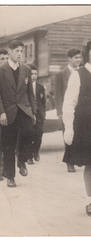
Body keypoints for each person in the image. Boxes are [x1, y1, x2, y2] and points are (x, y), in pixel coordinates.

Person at [62, 37, 91, 217]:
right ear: (86, 54)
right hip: (86, 122)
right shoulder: (78, 74)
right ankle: (90, 201)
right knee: (90, 163)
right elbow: (69, 102)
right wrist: (69, 127)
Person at [0, 40, 37, 188]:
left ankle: (22, 161)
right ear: (9, 52)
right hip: (8, 112)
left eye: (21, 51)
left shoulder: (26, 69)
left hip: (24, 109)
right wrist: (1, 112)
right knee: (8, 144)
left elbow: (30, 93)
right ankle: (10, 177)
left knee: (29, 133)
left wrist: (33, 112)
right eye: (17, 51)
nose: (20, 54)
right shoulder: (1, 70)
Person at [55, 48, 81, 172]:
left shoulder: (83, 72)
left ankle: (78, 159)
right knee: (68, 135)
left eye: (80, 57)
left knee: (80, 134)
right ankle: (69, 162)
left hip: (80, 109)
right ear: (69, 59)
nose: (78, 60)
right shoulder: (61, 74)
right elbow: (58, 95)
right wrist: (60, 112)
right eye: (76, 57)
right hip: (67, 109)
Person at [26, 64, 46, 164]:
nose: (33, 76)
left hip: (39, 114)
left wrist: (43, 114)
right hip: (29, 113)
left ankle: (36, 151)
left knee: (39, 133)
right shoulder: (25, 87)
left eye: (35, 74)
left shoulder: (40, 87)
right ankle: (29, 156)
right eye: (31, 74)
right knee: (30, 134)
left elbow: (43, 102)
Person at [0, 48, 8, 181]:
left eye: (7, 59)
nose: (5, 61)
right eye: (2, 59)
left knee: (7, 141)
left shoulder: (9, 75)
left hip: (8, 113)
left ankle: (6, 169)